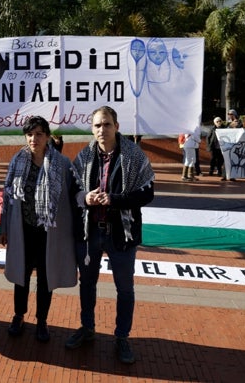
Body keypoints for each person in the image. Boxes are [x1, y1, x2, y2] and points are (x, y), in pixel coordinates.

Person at [67, 106, 155, 365]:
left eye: (106, 124)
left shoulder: (135, 155)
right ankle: (87, 327)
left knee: (125, 289)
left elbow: (147, 192)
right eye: (96, 125)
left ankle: (122, 337)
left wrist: (115, 200)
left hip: (121, 234)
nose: (101, 130)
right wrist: (86, 198)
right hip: (91, 231)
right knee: (87, 284)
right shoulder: (83, 156)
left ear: (116, 126)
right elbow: (74, 191)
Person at [0, 116, 76, 342]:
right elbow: (7, 196)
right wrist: (4, 227)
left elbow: (71, 199)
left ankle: (42, 320)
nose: (34, 139)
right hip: (22, 230)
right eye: (30, 134)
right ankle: (18, 316)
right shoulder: (17, 160)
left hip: (48, 232)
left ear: (47, 136)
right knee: (20, 276)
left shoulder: (62, 163)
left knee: (46, 278)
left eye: (39, 134)